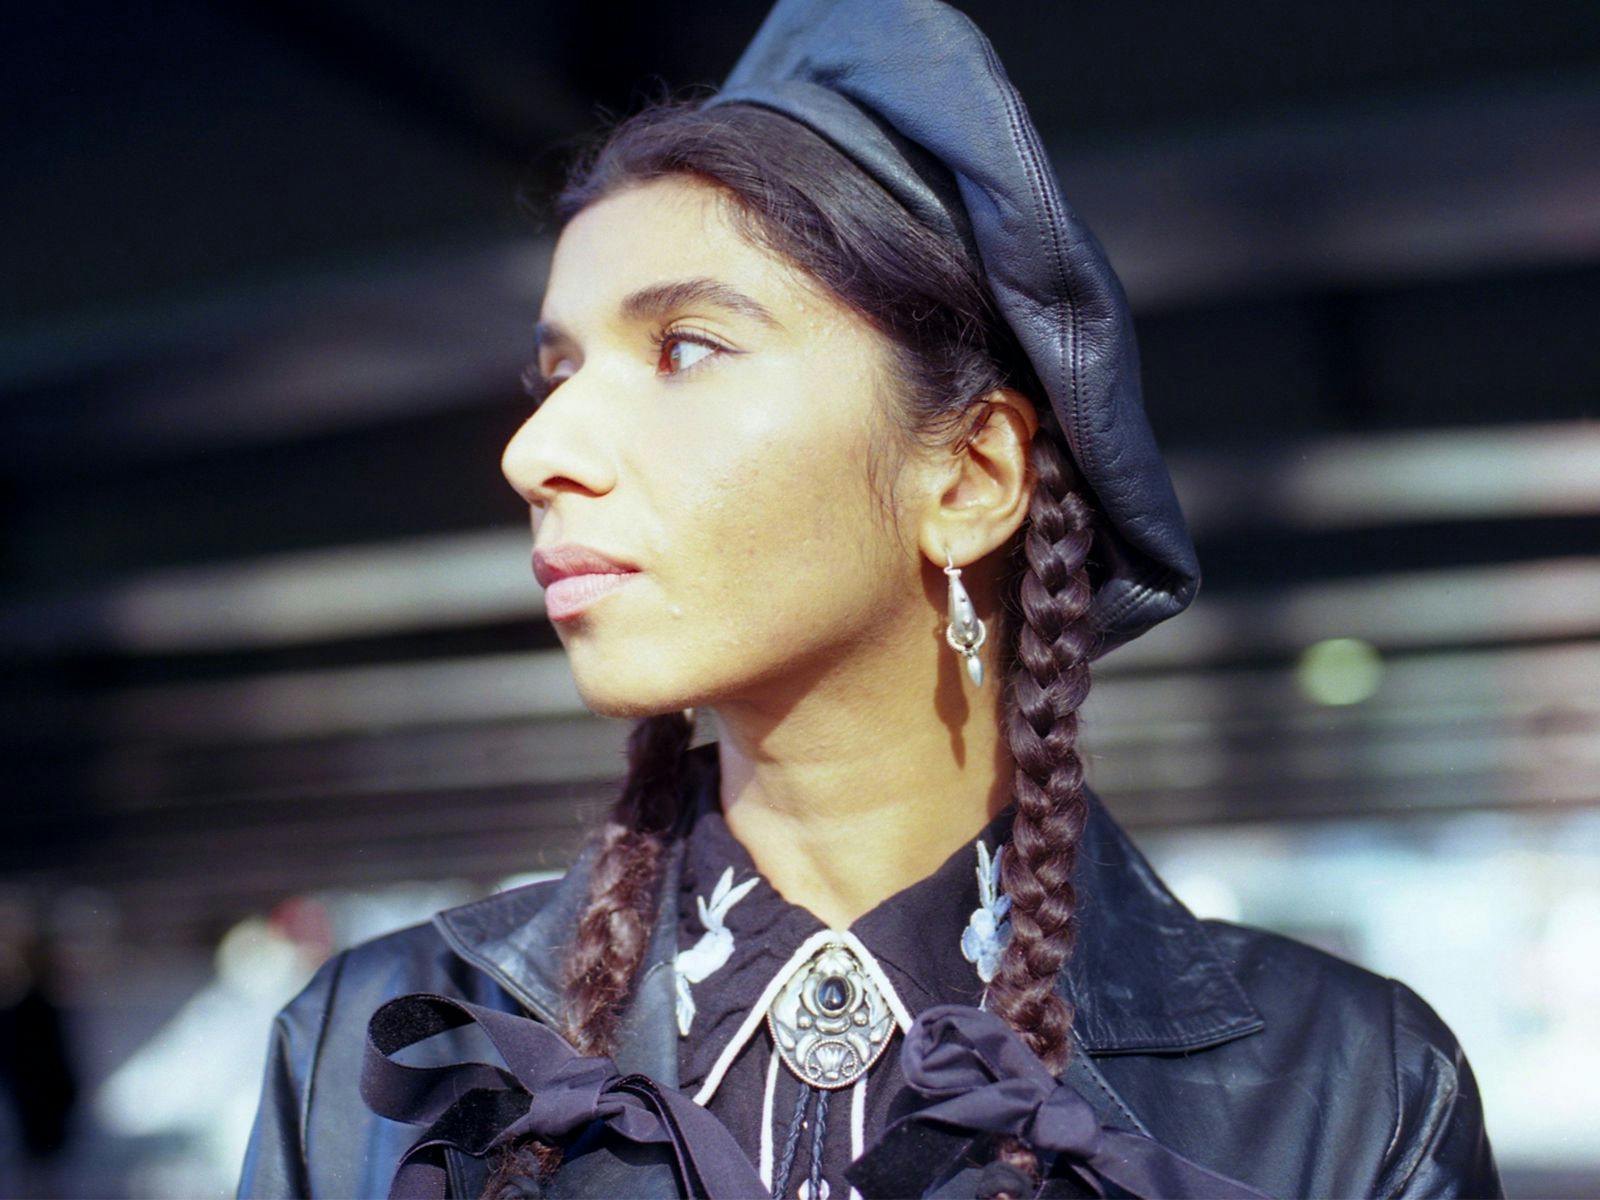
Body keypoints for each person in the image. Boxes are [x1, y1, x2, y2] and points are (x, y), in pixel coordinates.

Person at [236, 1, 1503, 1197]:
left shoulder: (1350, 1086)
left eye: (683, 348)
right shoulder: (377, 1045)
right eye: (555, 369)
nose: (533, 451)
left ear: (968, 476)